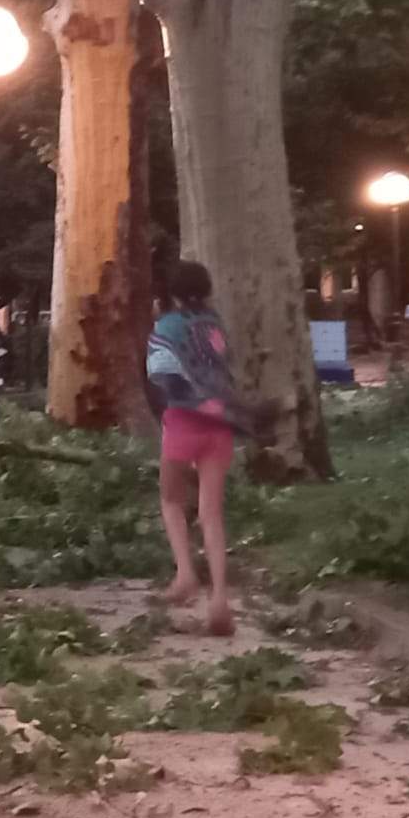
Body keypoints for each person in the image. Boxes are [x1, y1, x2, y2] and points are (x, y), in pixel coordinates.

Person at [145, 259, 250, 637]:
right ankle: (220, 598)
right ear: (206, 289)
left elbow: (159, 373)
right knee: (211, 513)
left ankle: (186, 574)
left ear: (170, 292)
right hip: (220, 423)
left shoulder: (166, 326)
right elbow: (227, 366)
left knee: (171, 499)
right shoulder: (215, 324)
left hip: (183, 422)